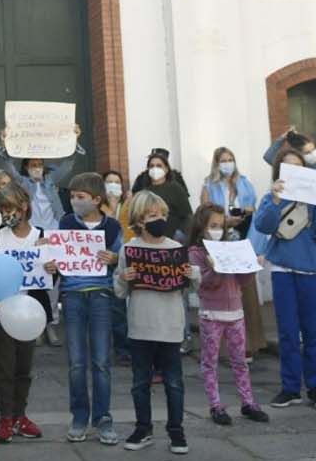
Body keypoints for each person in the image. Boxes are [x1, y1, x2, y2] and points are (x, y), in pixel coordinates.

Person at [253, 148, 316, 410]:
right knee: (288, 331)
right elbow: (263, 227)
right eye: (287, 167)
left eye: (297, 166)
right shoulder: (272, 196)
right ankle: (290, 388)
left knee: (313, 331)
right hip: (282, 269)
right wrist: (275, 201)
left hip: (310, 269)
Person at [46, 172, 122, 445]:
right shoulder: (66, 224)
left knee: (101, 361)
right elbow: (55, 257)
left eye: (80, 197)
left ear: (96, 199)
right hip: (73, 296)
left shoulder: (112, 227)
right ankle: (79, 416)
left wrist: (114, 259)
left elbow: (122, 260)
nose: (74, 201)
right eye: (72, 196)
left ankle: (103, 418)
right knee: (76, 363)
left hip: (101, 295)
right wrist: (51, 264)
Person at [114, 192, 188, 454]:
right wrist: (124, 276)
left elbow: (188, 286)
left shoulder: (176, 249)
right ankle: (143, 427)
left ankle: (176, 429)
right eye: (152, 215)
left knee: (174, 382)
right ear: (139, 220)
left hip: (170, 327)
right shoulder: (129, 249)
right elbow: (120, 291)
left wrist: (195, 274)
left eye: (162, 215)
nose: (160, 219)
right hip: (140, 326)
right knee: (139, 382)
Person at [187, 205, 268, 426]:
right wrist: (214, 268)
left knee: (240, 360)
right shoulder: (196, 252)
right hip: (211, 314)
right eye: (212, 226)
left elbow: (240, 280)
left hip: (235, 313)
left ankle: (248, 402)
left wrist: (252, 267)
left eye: (220, 226)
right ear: (201, 226)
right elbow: (203, 284)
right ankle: (215, 405)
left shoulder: (229, 247)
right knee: (210, 362)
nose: (217, 230)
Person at [0, 184, 46, 443]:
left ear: (24, 206)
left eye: (10, 208)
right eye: (1, 209)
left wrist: (51, 263)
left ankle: (20, 415)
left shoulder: (42, 235)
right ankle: (5, 418)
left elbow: (54, 273)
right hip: (2, 312)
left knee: (24, 367)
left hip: (30, 312)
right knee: (4, 367)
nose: (6, 213)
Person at [198, 148, 266, 358]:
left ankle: (250, 344)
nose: (227, 163)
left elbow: (254, 208)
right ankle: (226, 348)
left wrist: (246, 212)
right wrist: (226, 221)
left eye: (230, 160)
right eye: (223, 160)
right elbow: (204, 214)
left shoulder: (244, 182)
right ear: (216, 164)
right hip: (222, 240)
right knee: (225, 291)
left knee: (247, 290)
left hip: (245, 240)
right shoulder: (209, 184)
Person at [0, 125, 84, 233]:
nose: (37, 168)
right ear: (26, 167)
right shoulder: (22, 182)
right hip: (32, 230)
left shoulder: (50, 179)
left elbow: (67, 165)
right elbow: (8, 166)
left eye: (40, 164)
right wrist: (4, 145)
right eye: (33, 165)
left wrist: (74, 140)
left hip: (54, 228)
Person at [129, 151, 192, 240]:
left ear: (166, 169)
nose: (155, 168)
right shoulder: (145, 190)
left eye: (159, 166)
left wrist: (182, 234)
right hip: (150, 237)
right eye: (151, 166)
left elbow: (187, 215)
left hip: (173, 237)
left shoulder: (175, 188)